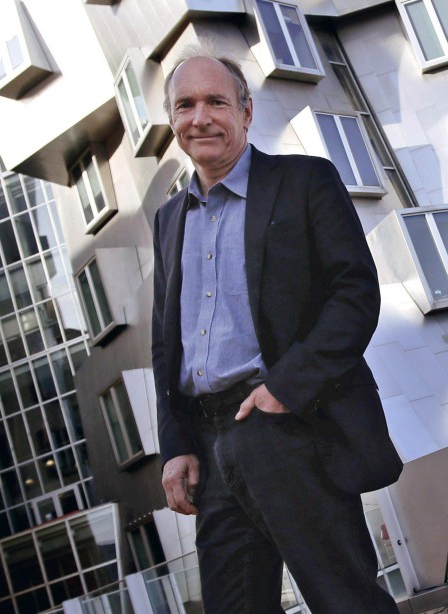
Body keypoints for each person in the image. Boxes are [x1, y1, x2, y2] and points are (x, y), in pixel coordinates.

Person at [150, 48, 402, 614]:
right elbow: (167, 346)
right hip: (209, 448)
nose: (200, 118)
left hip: (288, 426)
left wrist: (285, 389)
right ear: (172, 121)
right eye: (185, 105)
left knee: (345, 601)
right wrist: (176, 446)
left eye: (216, 102)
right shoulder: (168, 221)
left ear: (246, 111)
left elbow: (355, 294)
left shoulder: (304, 181)